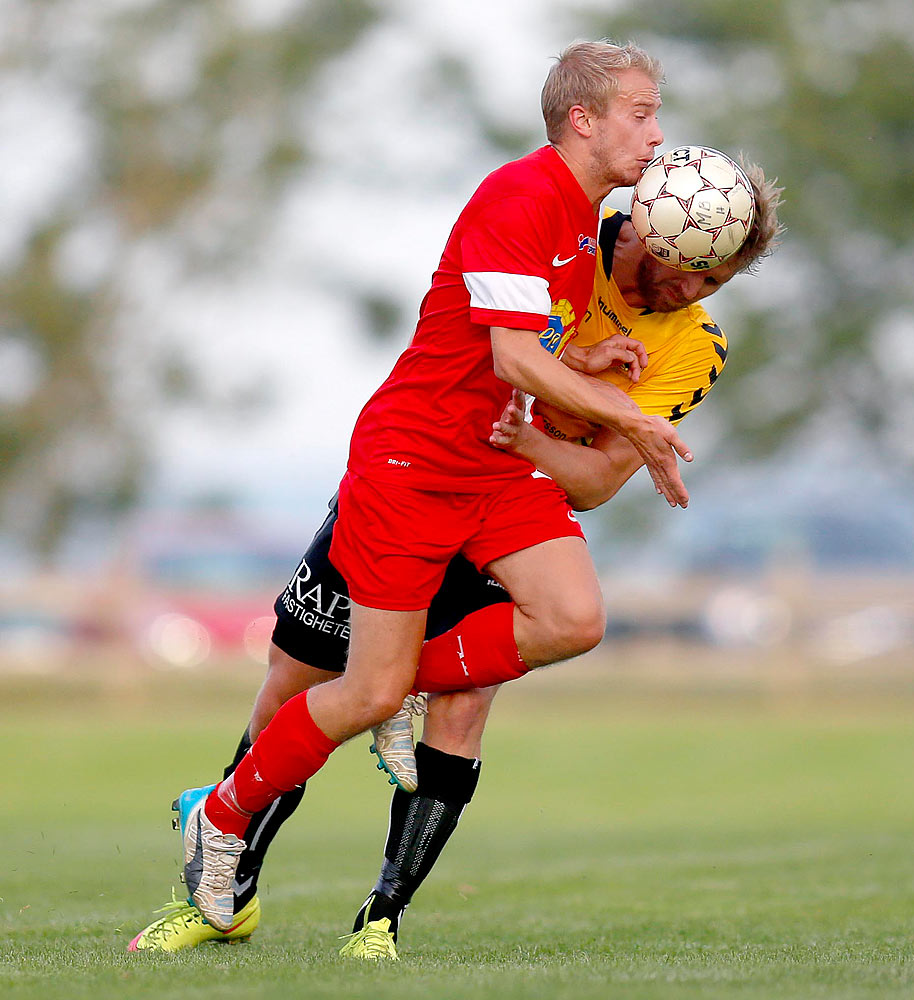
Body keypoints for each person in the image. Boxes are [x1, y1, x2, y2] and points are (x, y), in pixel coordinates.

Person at [129, 168, 784, 956]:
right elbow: (490, 336)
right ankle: (221, 889)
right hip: (411, 469)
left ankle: (380, 923)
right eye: (699, 266)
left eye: (719, 277)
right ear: (657, 226)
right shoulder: (569, 232)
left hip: (505, 505)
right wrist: (577, 375)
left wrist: (534, 440)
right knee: (294, 684)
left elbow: (597, 482)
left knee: (463, 698)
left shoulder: (696, 346)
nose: (697, 286)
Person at [174, 39, 692, 934]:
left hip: (490, 464)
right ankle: (219, 817)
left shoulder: (580, 218)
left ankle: (403, 684)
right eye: (642, 114)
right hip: (411, 466)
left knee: (572, 618)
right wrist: (633, 418)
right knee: (362, 694)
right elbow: (509, 354)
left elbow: (512, 348)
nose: (656, 135)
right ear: (584, 119)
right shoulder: (521, 196)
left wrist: (583, 356)